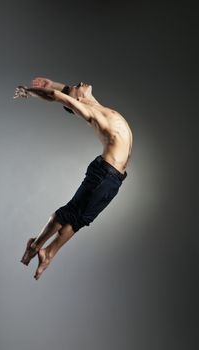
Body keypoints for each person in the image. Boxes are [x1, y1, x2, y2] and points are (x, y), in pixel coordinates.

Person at [13, 77, 133, 280]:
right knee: (69, 213)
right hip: (104, 174)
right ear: (78, 100)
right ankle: (34, 246)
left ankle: (48, 254)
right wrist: (30, 91)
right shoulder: (89, 111)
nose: (79, 84)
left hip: (115, 179)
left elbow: (64, 91)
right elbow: (58, 97)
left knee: (80, 220)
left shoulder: (94, 104)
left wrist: (52, 83)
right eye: (77, 88)